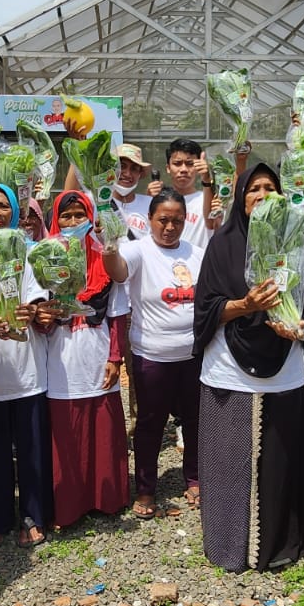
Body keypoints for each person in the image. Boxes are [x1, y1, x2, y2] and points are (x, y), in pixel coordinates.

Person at [192, 165, 304, 572]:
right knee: (228, 459)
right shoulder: (223, 244)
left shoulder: (294, 244)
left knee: (280, 459)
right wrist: (245, 306)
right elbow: (206, 307)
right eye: (253, 188)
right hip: (229, 368)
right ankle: (228, 544)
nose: (262, 195)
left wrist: (297, 326)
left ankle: (279, 545)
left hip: (283, 366)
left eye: (270, 188)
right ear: (240, 197)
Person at [104, 188, 206, 517]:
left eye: (177, 221)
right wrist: (109, 248)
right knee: (150, 424)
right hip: (152, 356)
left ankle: (194, 478)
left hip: (193, 356)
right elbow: (118, 271)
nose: (170, 227)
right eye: (163, 220)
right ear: (149, 219)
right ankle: (146, 489)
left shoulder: (196, 253)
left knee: (194, 420)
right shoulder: (138, 250)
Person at [0, 183, 54, 548]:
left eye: (3, 206)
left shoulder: (29, 252)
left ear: (15, 213)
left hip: (27, 371)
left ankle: (33, 515)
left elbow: (38, 302)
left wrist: (30, 311)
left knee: (33, 451)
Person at [41, 191, 131, 527]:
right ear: (56, 220)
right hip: (60, 358)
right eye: (66, 216)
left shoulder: (105, 258)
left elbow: (118, 313)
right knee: (67, 431)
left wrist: (115, 357)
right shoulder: (45, 260)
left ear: (91, 219)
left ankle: (106, 499)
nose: (73, 222)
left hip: (97, 351)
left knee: (103, 427)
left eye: (80, 215)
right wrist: (46, 316)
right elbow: (37, 312)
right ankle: (70, 505)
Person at [163, 138, 218, 247]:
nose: (183, 169)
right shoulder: (158, 202)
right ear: (168, 168)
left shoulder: (209, 200)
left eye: (190, 163)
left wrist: (207, 179)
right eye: (177, 163)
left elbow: (212, 223)